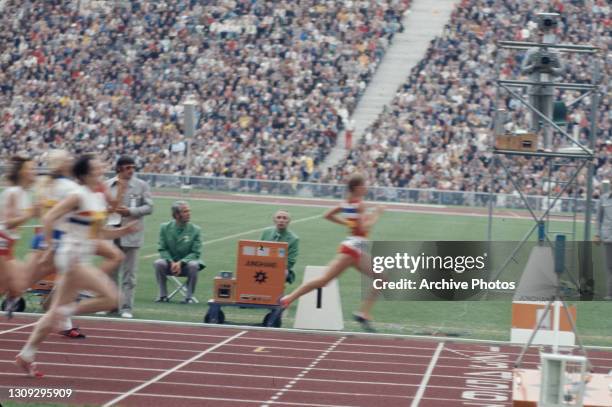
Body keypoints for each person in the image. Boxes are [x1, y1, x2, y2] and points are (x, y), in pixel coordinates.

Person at [15, 154, 138, 377]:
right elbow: (49, 217)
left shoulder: (96, 197)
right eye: (96, 163)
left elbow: (98, 233)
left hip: (79, 257)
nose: (101, 164)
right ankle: (66, 312)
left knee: (53, 312)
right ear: (86, 172)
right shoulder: (78, 195)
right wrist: (50, 246)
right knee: (113, 298)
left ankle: (27, 354)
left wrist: (123, 231)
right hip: (71, 257)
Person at [280, 174, 383, 331]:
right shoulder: (360, 205)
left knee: (325, 280)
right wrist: (377, 213)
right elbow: (364, 228)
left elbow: (327, 215)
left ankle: (288, 299)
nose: (367, 187)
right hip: (355, 248)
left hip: (352, 247)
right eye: (364, 185)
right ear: (357, 188)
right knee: (380, 278)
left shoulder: (346, 203)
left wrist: (346, 223)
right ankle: (363, 313)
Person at [105, 155, 153, 318]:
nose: (131, 171)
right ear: (119, 168)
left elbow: (149, 207)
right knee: (111, 273)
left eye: (133, 167)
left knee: (129, 274)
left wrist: (131, 211)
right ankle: (111, 304)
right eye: (127, 168)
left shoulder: (141, 185)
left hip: (131, 233)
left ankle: (126, 307)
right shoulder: (108, 185)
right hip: (111, 232)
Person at [0, 156, 39, 317]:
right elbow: (8, 223)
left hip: (10, 245)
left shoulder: (23, 192)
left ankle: (9, 308)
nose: (34, 172)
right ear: (21, 173)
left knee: (17, 286)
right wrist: (31, 213)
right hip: (2, 242)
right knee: (3, 286)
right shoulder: (14, 192)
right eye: (30, 169)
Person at [154, 201, 204, 304]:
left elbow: (196, 253)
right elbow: (162, 248)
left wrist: (181, 263)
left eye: (189, 211)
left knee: (194, 265)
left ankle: (188, 297)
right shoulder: (164, 227)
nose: (189, 213)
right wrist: (172, 262)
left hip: (186, 266)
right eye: (185, 211)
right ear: (176, 215)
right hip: (170, 264)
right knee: (159, 263)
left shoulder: (196, 230)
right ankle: (162, 295)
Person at [260, 209, 299, 284]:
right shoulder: (266, 232)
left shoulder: (294, 239)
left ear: (289, 221)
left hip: (280, 269)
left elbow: (291, 261)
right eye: (278, 217)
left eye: (285, 218)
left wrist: (272, 266)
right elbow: (260, 250)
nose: (281, 220)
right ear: (274, 220)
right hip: (263, 265)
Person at [595, 181, 612, 300]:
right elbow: (598, 219)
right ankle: (610, 293)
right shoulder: (604, 198)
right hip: (608, 237)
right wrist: (597, 234)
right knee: (610, 266)